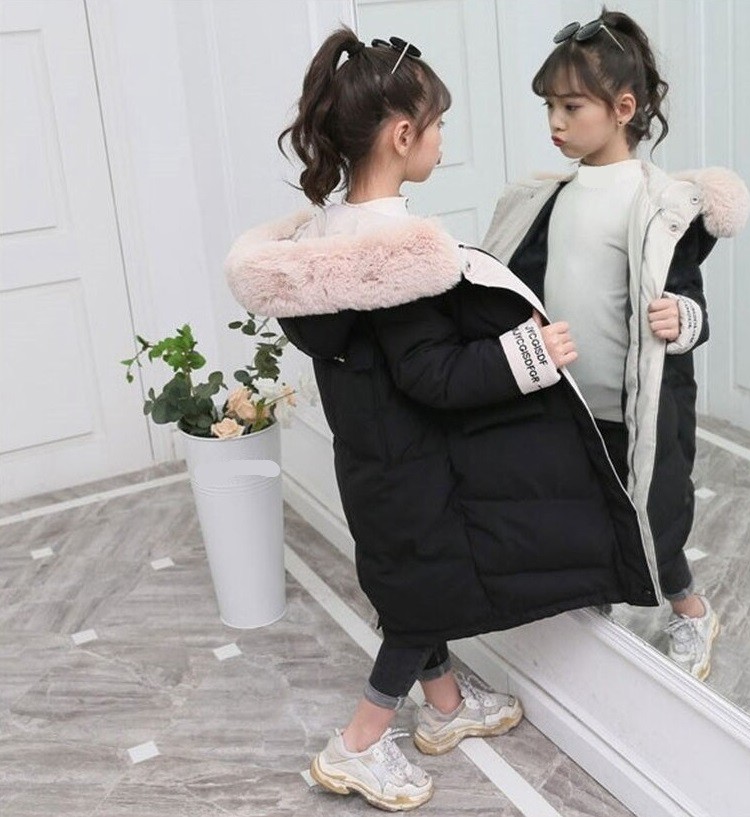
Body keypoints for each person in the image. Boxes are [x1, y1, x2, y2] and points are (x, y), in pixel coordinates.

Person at [225, 27, 660, 811]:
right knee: (415, 603)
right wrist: (530, 353)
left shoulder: (327, 239)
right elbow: (431, 374)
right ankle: (358, 742)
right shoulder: (396, 255)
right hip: (417, 466)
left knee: (415, 581)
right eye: (438, 126)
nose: (442, 140)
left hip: (375, 460)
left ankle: (447, 706)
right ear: (402, 135)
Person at [483, 9, 750, 682]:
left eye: (571, 106)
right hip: (567, 400)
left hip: (639, 406)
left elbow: (691, 302)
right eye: (549, 106)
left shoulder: (661, 205)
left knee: (652, 518)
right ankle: (594, 593)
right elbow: (523, 280)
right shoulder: (547, 198)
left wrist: (682, 318)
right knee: (577, 504)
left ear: (623, 109)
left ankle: (689, 609)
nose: (555, 122)